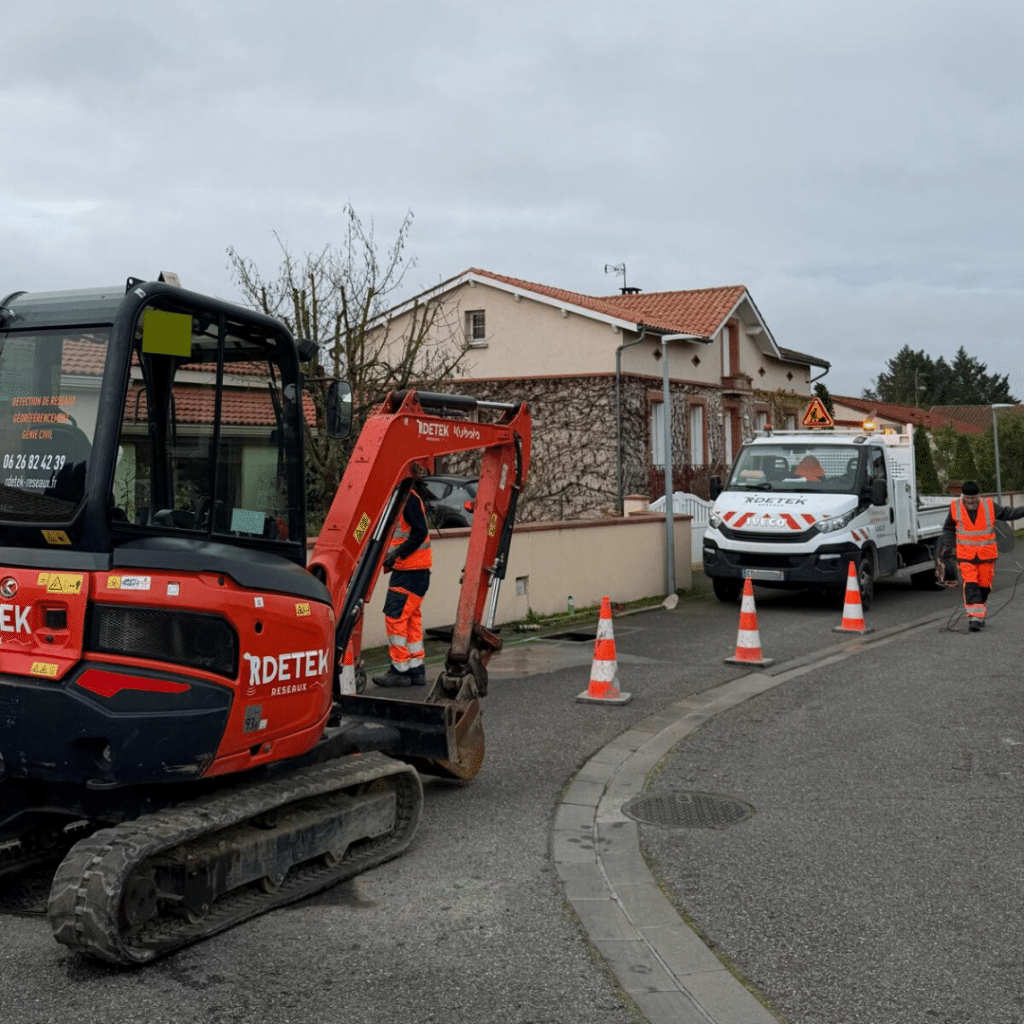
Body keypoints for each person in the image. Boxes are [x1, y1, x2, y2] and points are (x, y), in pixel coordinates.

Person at [940, 480, 1024, 632]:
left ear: (978, 496)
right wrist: (948, 546)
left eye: (974, 498)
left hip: (987, 555)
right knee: (971, 584)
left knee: (984, 586)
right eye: (968, 498)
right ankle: (974, 618)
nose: (971, 501)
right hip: (966, 555)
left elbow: (1008, 513)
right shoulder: (955, 508)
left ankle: (979, 612)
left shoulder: (989, 506)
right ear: (963, 496)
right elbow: (948, 529)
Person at [372, 481, 432, 686]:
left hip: (409, 570)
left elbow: (419, 532)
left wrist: (398, 553)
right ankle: (416, 669)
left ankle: (400, 670)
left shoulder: (407, 499)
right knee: (411, 619)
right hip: (416, 572)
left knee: (395, 617)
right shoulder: (402, 499)